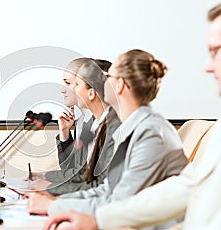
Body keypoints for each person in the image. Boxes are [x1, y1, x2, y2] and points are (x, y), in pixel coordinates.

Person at [43, 0, 221, 230]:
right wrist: (97, 219)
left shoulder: (151, 131)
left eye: (214, 51)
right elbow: (187, 186)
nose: (207, 66)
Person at [28, 50, 187, 217]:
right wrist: (57, 202)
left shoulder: (149, 133)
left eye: (108, 77)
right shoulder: (131, 127)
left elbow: (119, 201)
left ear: (119, 85)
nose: (102, 82)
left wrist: (53, 205)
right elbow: (108, 188)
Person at [28, 59, 121, 196]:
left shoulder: (111, 127)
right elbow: (82, 171)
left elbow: (98, 183)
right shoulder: (92, 123)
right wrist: (47, 178)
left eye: (73, 84)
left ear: (91, 92)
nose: (65, 90)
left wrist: (50, 188)